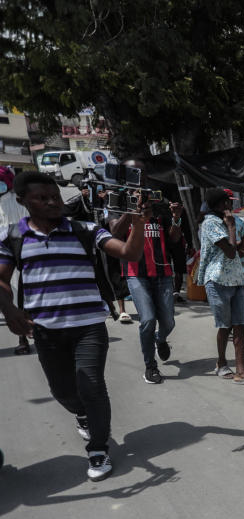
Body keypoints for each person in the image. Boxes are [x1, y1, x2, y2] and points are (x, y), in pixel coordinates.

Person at [0, 171, 145, 481]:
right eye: (43, 198)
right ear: (23, 201)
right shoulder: (13, 237)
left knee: (92, 385)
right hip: (46, 329)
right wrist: (9, 308)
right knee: (63, 390)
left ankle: (98, 448)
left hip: (89, 325)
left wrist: (138, 220)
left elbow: (129, 253)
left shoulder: (86, 230)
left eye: (55, 196)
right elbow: (2, 280)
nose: (53, 202)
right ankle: (81, 414)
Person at [108, 158, 185, 384]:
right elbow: (114, 233)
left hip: (163, 273)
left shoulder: (158, 199)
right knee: (148, 320)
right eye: (133, 172)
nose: (138, 177)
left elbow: (172, 238)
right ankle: (150, 366)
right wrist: (132, 210)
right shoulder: (116, 199)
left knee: (168, 322)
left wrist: (177, 218)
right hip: (136, 272)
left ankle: (160, 339)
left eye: (141, 173)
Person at [195, 187, 244, 387]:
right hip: (217, 281)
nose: (231, 203)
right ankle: (222, 363)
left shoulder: (233, 221)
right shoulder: (210, 224)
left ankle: (241, 372)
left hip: (237, 279)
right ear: (220, 204)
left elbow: (239, 252)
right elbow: (230, 252)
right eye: (228, 201)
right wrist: (232, 227)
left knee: (240, 325)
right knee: (224, 326)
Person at [0, 166, 32, 355]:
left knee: (23, 293)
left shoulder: (20, 199)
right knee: (8, 294)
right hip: (4, 254)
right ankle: (22, 335)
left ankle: (24, 337)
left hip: (23, 249)